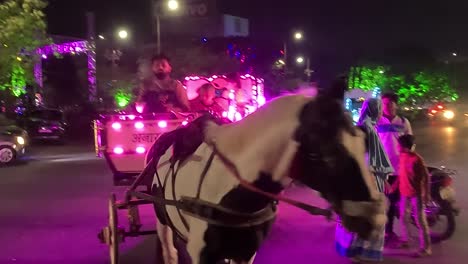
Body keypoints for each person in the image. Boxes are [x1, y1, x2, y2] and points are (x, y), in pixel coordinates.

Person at [335, 98, 394, 263]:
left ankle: (351, 251)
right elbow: (374, 162)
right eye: (380, 109)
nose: (382, 112)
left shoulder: (356, 130)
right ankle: (364, 253)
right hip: (369, 183)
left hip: (354, 182)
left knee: (354, 215)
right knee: (370, 217)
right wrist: (384, 180)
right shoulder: (370, 132)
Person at [376, 92, 412, 240]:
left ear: (396, 105)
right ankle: (386, 231)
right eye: (384, 104)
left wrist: (408, 162)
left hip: (399, 169)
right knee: (383, 202)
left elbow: (410, 145)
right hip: (383, 170)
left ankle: (394, 231)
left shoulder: (403, 122)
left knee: (396, 201)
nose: (387, 106)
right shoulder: (377, 122)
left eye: (390, 103)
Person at [395, 134, 431, 257]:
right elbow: (401, 174)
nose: (397, 147)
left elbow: (426, 177)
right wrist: (394, 186)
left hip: (417, 195)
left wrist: (427, 194)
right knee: (403, 217)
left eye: (399, 145)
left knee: (420, 220)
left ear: (404, 147)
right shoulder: (402, 156)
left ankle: (426, 248)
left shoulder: (417, 160)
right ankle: (406, 240)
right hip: (404, 193)